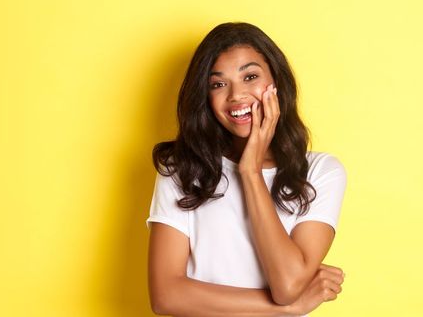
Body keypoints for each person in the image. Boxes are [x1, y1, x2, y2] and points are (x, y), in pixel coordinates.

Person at [146, 22, 347, 316]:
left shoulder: (320, 172)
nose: (236, 95)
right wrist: (289, 309)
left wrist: (250, 172)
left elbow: (287, 284)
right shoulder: (183, 169)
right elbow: (166, 296)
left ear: (277, 82)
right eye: (218, 84)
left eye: (250, 77)